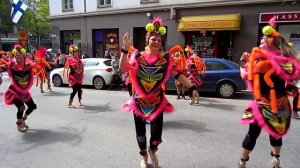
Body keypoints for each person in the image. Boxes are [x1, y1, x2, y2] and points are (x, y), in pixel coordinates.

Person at [118, 17, 199, 168]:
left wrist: (192, 87)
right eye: (153, 39)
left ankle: (153, 151)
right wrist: (125, 48)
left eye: (159, 40)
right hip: (138, 102)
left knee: (156, 137)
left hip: (157, 102)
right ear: (147, 40)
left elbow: (177, 74)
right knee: (140, 135)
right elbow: (123, 67)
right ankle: (143, 157)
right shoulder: (137, 56)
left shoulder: (166, 59)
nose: (156, 42)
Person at [238, 18, 300, 168]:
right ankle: (275, 159)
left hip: (262, 104)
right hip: (281, 105)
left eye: (263, 39)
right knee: (275, 133)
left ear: (271, 42)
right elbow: (293, 76)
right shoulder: (284, 60)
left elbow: (246, 75)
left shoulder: (263, 63)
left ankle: (242, 162)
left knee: (252, 134)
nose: (260, 40)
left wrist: (242, 62)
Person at [2, 44, 37, 132]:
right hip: (14, 91)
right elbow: (9, 70)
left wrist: (34, 59)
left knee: (32, 106)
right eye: (17, 57)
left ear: (24, 57)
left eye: (20, 57)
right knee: (21, 107)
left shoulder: (28, 66)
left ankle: (23, 119)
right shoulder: (12, 66)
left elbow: (35, 63)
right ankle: (19, 123)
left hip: (24, 91)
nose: (18, 59)